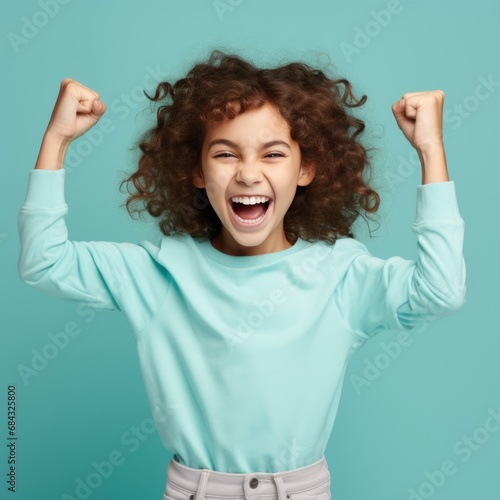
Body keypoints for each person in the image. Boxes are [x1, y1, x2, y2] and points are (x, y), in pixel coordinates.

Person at [18, 50, 466, 500]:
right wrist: (56, 140)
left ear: (306, 168)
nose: (249, 174)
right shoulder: (158, 272)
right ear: (196, 169)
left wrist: (431, 150)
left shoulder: (340, 274)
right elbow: (44, 262)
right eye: (226, 154)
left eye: (273, 154)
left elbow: (440, 291)